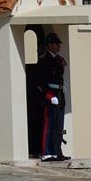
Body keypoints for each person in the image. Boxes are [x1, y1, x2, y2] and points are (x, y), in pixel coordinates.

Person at [36, 33, 71, 162]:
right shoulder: (44, 60)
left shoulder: (58, 59)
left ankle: (57, 151)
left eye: (58, 43)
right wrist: (50, 95)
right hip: (50, 95)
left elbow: (63, 68)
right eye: (56, 43)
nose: (58, 46)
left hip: (60, 94)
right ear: (49, 45)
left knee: (59, 125)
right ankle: (47, 152)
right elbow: (41, 81)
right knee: (49, 124)